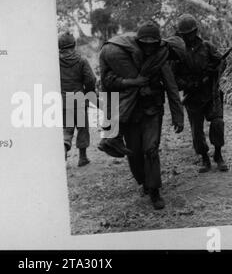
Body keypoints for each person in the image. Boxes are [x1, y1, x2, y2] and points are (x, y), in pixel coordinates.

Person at [99, 21, 184, 210]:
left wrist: (178, 116)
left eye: (152, 44)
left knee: (151, 150)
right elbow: (108, 82)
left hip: (152, 111)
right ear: (138, 43)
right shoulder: (125, 59)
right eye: (144, 43)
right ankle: (144, 183)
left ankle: (155, 191)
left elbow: (172, 88)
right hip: (130, 115)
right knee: (134, 152)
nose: (148, 48)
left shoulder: (161, 61)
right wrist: (130, 82)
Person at [173, 14, 228, 173]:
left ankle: (218, 155)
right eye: (185, 34)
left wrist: (214, 70)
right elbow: (174, 78)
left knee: (217, 123)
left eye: (191, 33)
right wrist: (191, 84)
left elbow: (222, 61)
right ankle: (204, 158)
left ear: (196, 31)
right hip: (193, 96)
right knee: (197, 130)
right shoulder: (178, 52)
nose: (189, 36)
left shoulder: (207, 46)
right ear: (181, 35)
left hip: (211, 93)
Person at [59, 32, 97, 167]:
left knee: (66, 128)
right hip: (78, 100)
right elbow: (91, 79)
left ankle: (63, 149)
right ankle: (82, 157)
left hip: (63, 101)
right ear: (74, 45)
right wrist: (89, 93)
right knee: (82, 128)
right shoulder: (81, 60)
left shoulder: (55, 61)